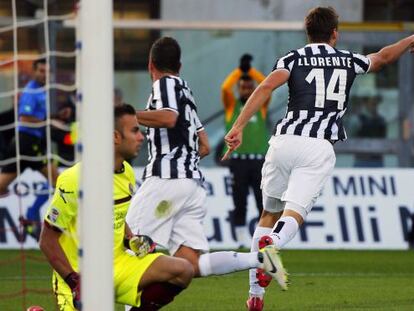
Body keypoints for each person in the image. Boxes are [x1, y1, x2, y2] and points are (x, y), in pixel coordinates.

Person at [223, 7, 414, 311]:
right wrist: (410, 40)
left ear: (307, 32)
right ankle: (272, 245)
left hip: (283, 142)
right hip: (317, 148)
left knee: (268, 214)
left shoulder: (293, 58)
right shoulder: (348, 60)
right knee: (293, 215)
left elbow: (267, 86)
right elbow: (383, 57)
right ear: (335, 33)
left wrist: (238, 126)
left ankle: (255, 297)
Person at [126, 36, 286, 297]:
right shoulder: (185, 91)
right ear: (179, 65)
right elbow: (204, 145)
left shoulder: (163, 85)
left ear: (150, 65)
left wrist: (124, 114)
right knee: (191, 263)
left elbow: (168, 118)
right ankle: (258, 259)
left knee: (127, 249)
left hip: (166, 180)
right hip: (190, 185)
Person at [39, 104, 194, 311]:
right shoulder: (74, 179)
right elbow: (46, 240)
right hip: (81, 275)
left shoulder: (127, 172)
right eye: (135, 131)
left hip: (118, 265)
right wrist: (75, 280)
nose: (142, 137)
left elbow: (118, 217)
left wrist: (131, 240)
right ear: (115, 137)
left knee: (182, 269)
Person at [221, 54, 269, 247]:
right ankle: (241, 237)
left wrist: (250, 72)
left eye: (250, 88)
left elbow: (266, 84)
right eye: (243, 87)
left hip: (258, 160)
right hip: (239, 160)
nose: (247, 90)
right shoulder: (232, 106)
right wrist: (240, 72)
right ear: (238, 88)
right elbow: (225, 88)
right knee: (239, 199)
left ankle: (263, 237)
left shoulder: (261, 107)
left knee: (261, 200)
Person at [348, 95, 387, 167]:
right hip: (361, 159)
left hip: (377, 160)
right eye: (371, 103)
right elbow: (351, 137)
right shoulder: (358, 120)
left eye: (375, 104)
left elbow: (384, 139)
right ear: (365, 104)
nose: (373, 106)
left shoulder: (381, 120)